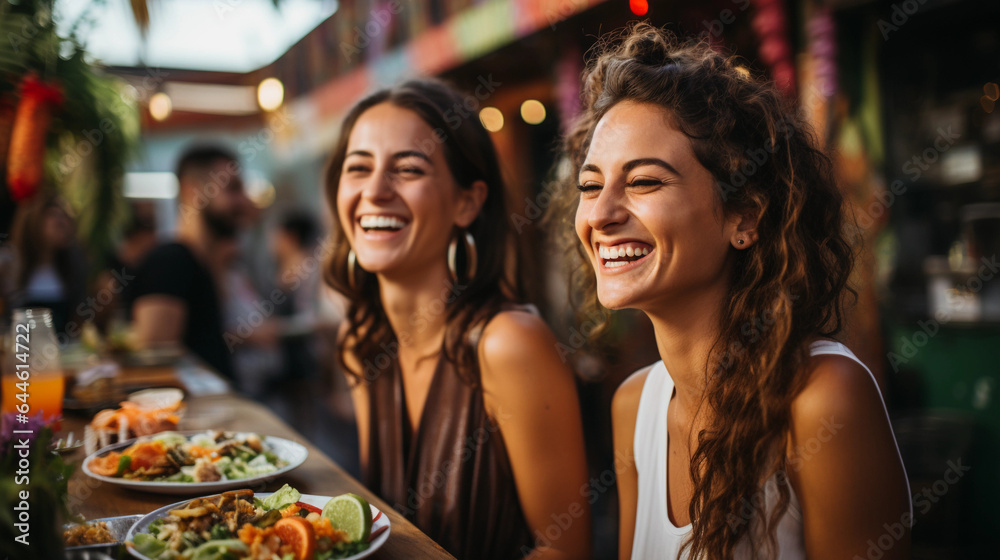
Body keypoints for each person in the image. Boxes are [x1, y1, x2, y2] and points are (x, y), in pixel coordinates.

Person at [559, 24, 912, 559]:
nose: (601, 215)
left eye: (645, 182)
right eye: (590, 185)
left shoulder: (821, 399)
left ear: (743, 216)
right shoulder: (633, 406)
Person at [324, 79, 591, 559]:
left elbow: (565, 551)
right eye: (358, 168)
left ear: (467, 201)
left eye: (407, 169)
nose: (375, 191)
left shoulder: (509, 344)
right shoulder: (360, 341)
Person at [127, 144, 251, 380]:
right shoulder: (170, 261)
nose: (244, 201)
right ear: (193, 192)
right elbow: (154, 370)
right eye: (233, 188)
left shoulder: (203, 264)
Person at [8, 192, 87, 336]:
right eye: (54, 215)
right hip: (22, 349)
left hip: (63, 352)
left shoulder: (74, 266)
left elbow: (79, 321)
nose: (63, 223)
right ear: (34, 221)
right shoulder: (10, 265)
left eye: (66, 216)